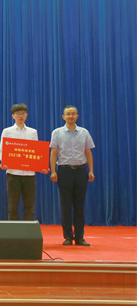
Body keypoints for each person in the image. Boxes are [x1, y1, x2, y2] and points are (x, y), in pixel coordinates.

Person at [50, 105, 95, 246]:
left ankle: (80, 237)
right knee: (66, 205)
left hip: (81, 171)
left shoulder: (84, 132)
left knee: (79, 205)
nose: (70, 116)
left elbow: (88, 152)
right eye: (68, 114)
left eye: (73, 114)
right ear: (63, 116)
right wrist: (53, 171)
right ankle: (68, 237)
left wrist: (91, 170)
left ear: (77, 116)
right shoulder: (57, 132)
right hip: (64, 171)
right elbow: (53, 153)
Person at [0, 104, 48, 221]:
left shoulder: (32, 132)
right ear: (13, 116)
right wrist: (4, 162)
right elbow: (1, 151)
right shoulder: (7, 131)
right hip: (13, 173)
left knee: (29, 206)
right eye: (18, 113)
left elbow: (36, 152)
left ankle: (28, 230)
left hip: (29, 174)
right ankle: (14, 231)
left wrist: (41, 166)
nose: (21, 116)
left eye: (23, 113)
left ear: (26, 115)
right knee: (12, 206)